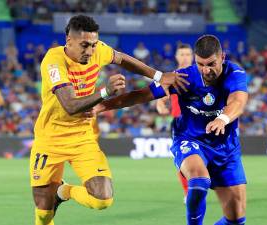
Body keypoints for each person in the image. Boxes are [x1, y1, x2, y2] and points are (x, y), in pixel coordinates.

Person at [30, 15, 187, 225]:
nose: (90, 51)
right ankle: (52, 199)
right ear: (69, 41)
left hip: (83, 138)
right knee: (43, 210)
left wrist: (158, 76)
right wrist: (105, 92)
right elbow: (70, 105)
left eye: (93, 45)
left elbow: (122, 58)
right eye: (84, 45)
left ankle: (63, 191)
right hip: (50, 140)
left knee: (102, 199)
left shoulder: (98, 51)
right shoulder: (54, 61)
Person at [93, 35, 249, 225]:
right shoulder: (183, 77)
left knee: (236, 220)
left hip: (226, 147)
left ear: (222, 57)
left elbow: (238, 102)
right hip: (191, 140)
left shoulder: (235, 73)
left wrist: (222, 119)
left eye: (211, 64)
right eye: (201, 64)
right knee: (199, 181)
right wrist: (102, 106)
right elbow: (140, 95)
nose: (206, 70)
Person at [156, 43, 193, 203]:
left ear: (192, 56)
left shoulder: (202, 74)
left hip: (204, 120)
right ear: (177, 57)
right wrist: (160, 104)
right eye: (182, 54)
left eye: (187, 54)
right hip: (181, 123)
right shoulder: (171, 77)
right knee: (183, 159)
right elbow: (161, 95)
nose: (185, 57)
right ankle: (188, 193)